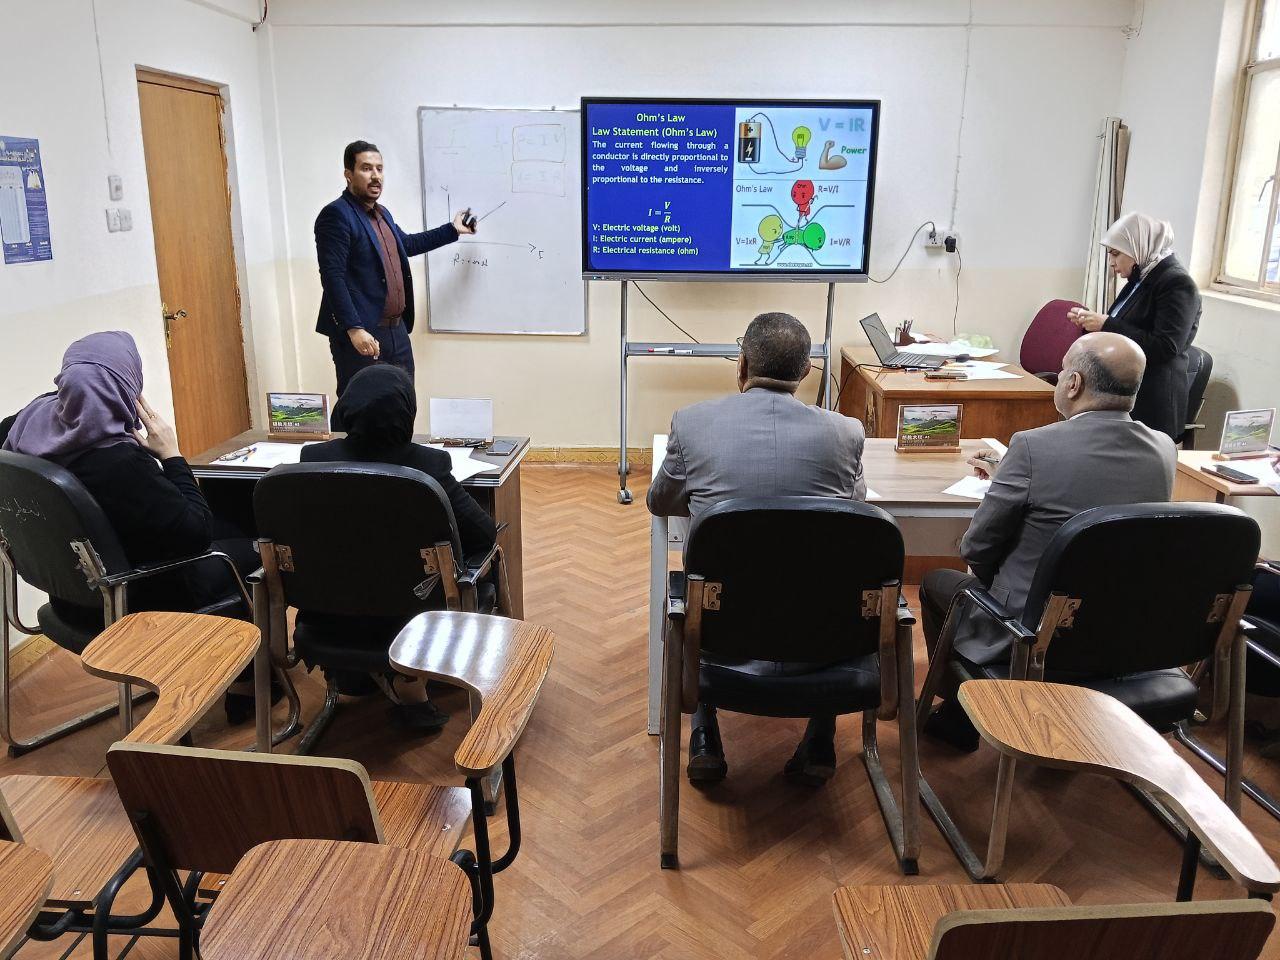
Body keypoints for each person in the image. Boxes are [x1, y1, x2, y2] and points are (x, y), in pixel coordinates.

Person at [918, 332, 1177, 749]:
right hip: (1119, 629)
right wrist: (1011, 473)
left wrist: (1015, 477)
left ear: (1073, 383)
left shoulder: (1032, 446)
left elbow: (976, 548)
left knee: (937, 583)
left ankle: (960, 714)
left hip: (1030, 630)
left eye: (1061, 371)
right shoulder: (1163, 448)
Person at [647, 312, 866, 787]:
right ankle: (820, 736)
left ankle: (704, 734)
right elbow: (855, 512)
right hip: (821, 632)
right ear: (806, 371)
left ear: (742, 363)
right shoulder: (846, 433)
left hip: (720, 632)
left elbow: (659, 502)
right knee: (828, 568)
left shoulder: (692, 423)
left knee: (702, 582)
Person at [0, 331, 263, 719]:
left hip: (71, 596)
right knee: (259, 548)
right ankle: (249, 683)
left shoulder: (20, 428)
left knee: (229, 523)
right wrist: (171, 455)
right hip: (136, 598)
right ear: (127, 385)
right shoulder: (118, 463)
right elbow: (196, 534)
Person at [299, 364, 497, 731]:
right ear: (409, 412)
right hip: (421, 620)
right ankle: (412, 680)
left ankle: (365, 675)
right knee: (484, 563)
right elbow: (484, 536)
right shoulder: (428, 465)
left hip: (330, 615)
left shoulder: (312, 460)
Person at [315, 140, 476, 396]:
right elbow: (332, 276)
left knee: (402, 404)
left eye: (379, 169)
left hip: (396, 332)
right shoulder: (336, 215)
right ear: (348, 174)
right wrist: (354, 328)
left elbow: (407, 244)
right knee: (362, 408)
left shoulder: (382, 214)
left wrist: (453, 230)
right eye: (366, 168)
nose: (375, 176)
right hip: (364, 334)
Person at [1066, 211, 1201, 439]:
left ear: (1137, 248)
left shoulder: (1176, 283)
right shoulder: (1141, 277)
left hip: (1152, 399)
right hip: (1125, 391)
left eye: (1116, 254)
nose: (1111, 262)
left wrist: (1106, 324)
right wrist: (1092, 322)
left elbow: (1165, 346)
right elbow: (1123, 323)